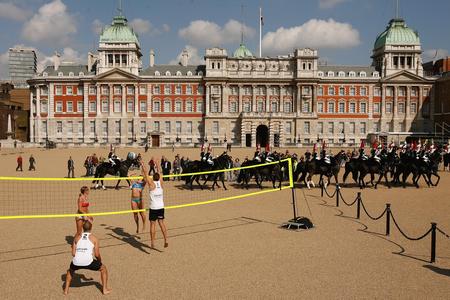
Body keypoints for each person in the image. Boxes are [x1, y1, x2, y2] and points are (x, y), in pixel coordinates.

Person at [64, 221, 111, 295]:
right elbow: (97, 254)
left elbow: (73, 254)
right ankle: (104, 290)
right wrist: (99, 261)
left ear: (82, 228)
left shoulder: (76, 238)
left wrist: (80, 254)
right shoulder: (94, 238)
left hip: (76, 261)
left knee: (70, 271)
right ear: (91, 228)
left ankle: (66, 290)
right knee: (103, 269)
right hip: (88, 261)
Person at [140, 160, 168, 249]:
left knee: (153, 225)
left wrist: (142, 164)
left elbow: (145, 172)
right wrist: (157, 163)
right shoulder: (161, 183)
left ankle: (152, 242)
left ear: (153, 178)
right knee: (162, 223)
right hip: (161, 207)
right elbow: (160, 172)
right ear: (159, 178)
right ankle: (166, 240)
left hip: (154, 208)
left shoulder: (151, 184)